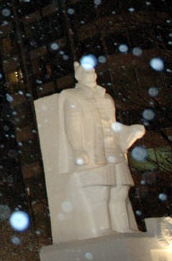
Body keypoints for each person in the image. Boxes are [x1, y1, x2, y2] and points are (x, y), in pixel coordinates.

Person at [58, 63, 145, 236]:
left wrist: (130, 131)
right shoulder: (73, 96)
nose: (91, 74)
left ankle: (123, 227)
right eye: (86, 71)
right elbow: (72, 126)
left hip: (114, 148)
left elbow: (112, 124)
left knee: (120, 189)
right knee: (100, 190)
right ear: (79, 75)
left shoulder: (106, 98)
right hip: (94, 150)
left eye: (93, 70)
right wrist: (77, 149)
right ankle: (103, 228)